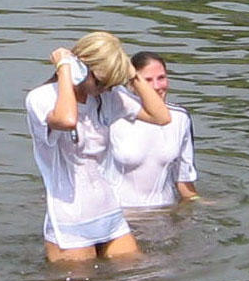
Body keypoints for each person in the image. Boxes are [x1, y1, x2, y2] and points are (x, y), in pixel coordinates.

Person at [25, 32, 171, 262]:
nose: (105, 89)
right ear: (81, 68)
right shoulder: (41, 98)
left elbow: (161, 116)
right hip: (70, 219)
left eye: (111, 84)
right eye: (101, 82)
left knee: (139, 276)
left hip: (108, 211)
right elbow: (67, 120)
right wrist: (65, 69)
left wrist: (130, 74)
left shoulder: (107, 98)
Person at [107, 51, 198, 209]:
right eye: (147, 80)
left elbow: (183, 178)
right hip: (120, 215)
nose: (157, 87)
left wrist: (205, 205)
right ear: (132, 84)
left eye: (161, 78)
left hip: (164, 213)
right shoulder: (113, 115)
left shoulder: (179, 118)